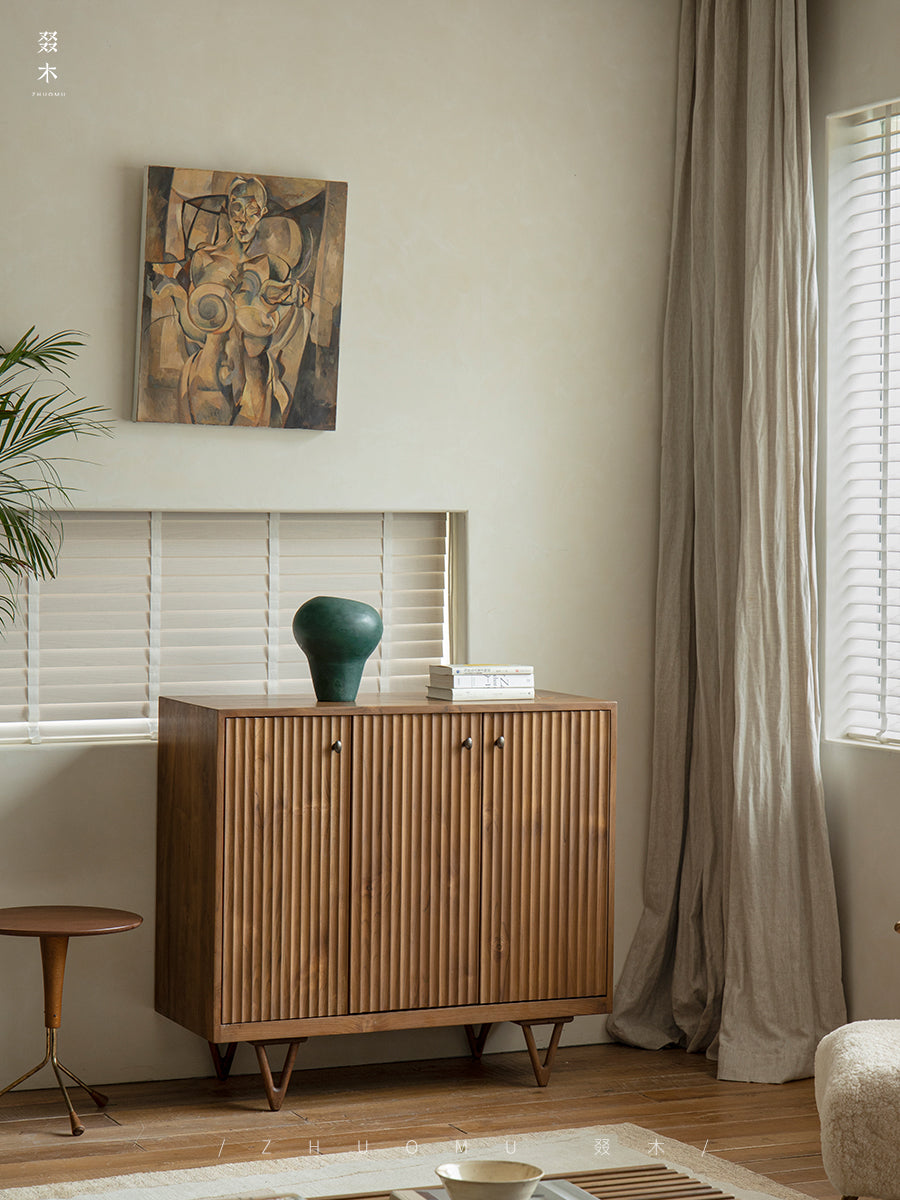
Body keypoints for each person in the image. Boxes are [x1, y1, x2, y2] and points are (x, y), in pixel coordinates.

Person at [176, 176, 310, 425]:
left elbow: (289, 304)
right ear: (227, 210)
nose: (243, 220)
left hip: (253, 374)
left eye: (252, 212)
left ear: (263, 214)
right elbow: (188, 320)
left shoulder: (271, 265)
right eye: (237, 209)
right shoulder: (204, 259)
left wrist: (290, 297)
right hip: (209, 370)